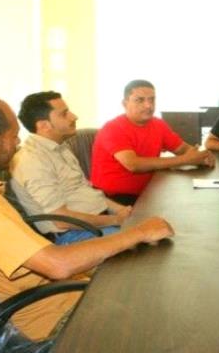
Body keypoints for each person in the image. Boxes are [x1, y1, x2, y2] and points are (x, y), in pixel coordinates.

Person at [0, 95, 175, 341]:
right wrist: (139, 232)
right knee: (155, 301)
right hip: (48, 317)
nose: (18, 143)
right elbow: (57, 265)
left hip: (39, 295)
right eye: (14, 136)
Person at [10, 91, 132, 245]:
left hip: (98, 223)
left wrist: (121, 210)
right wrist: (115, 220)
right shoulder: (32, 160)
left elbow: (87, 192)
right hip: (73, 234)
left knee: (153, 227)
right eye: (64, 114)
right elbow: (61, 220)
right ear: (44, 125)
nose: (74, 117)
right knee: (145, 242)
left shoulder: (60, 147)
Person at [91, 80, 215, 205]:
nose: (148, 105)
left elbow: (183, 149)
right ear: (125, 103)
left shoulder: (158, 124)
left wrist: (201, 156)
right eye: (140, 100)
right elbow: (133, 165)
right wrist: (185, 159)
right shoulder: (113, 128)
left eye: (152, 100)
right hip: (113, 199)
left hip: (149, 192)